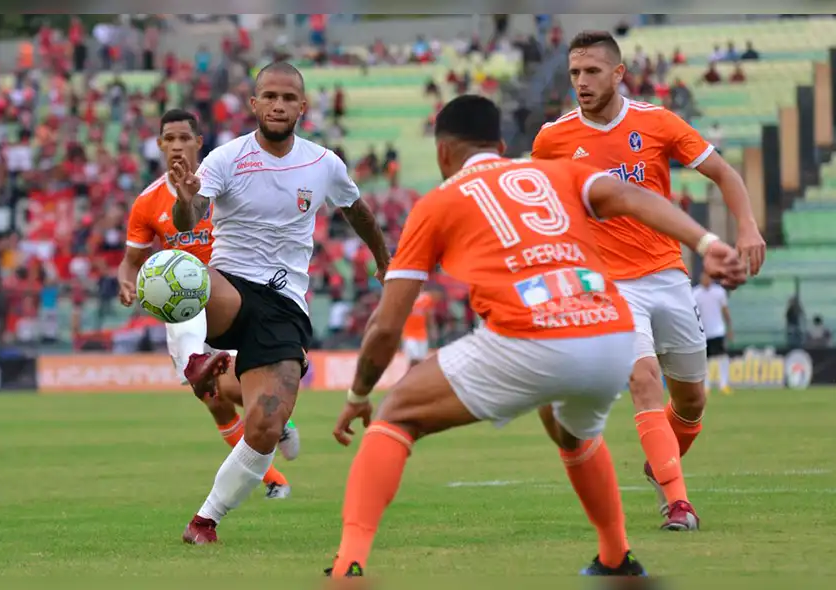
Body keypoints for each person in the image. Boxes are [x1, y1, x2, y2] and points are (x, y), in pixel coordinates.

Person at [325, 94, 747, 579]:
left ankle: (347, 563)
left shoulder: (439, 201)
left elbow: (386, 325)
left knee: (397, 414)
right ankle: (615, 555)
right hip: (610, 333)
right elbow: (633, 197)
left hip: (529, 335)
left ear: (443, 153)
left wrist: (359, 394)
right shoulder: (558, 173)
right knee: (569, 428)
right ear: (502, 145)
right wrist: (708, 243)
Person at [532, 30, 766, 530]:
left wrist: (747, 225)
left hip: (667, 275)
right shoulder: (553, 138)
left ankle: (662, 461)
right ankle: (679, 503)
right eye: (574, 73)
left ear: (619, 73)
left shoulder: (656, 123)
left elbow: (725, 173)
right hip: (609, 284)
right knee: (643, 381)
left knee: (691, 403)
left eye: (592, 71)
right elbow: (539, 208)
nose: (581, 82)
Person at [168, 62, 391, 544]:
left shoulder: (323, 163)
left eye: (288, 98)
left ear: (302, 107)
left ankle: (205, 521)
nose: (277, 105)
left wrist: (384, 260)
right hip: (229, 287)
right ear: (253, 104)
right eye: (269, 96)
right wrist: (185, 201)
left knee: (266, 426)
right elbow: (191, 214)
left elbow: (360, 213)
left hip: (285, 304)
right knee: (174, 273)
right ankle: (197, 359)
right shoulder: (226, 159)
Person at [116, 109, 299, 501]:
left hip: (229, 297)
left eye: (185, 137)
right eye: (170, 138)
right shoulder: (148, 202)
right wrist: (126, 281)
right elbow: (131, 261)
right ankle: (272, 475)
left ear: (199, 143)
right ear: (160, 144)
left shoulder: (224, 182)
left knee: (229, 385)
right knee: (213, 398)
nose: (177, 145)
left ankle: (269, 413)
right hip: (183, 307)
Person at [692, 270, 733, 395]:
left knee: (722, 357)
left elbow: (725, 310)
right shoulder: (695, 293)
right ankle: (706, 386)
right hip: (703, 331)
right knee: (704, 360)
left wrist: (729, 327)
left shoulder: (719, 292)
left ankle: (724, 384)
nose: (706, 279)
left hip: (717, 330)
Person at [401, 290, 435, 367]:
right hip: (409, 334)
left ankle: (415, 377)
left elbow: (429, 315)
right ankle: (410, 377)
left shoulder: (427, 298)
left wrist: (432, 329)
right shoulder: (405, 297)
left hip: (422, 334)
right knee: (413, 359)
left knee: (420, 361)